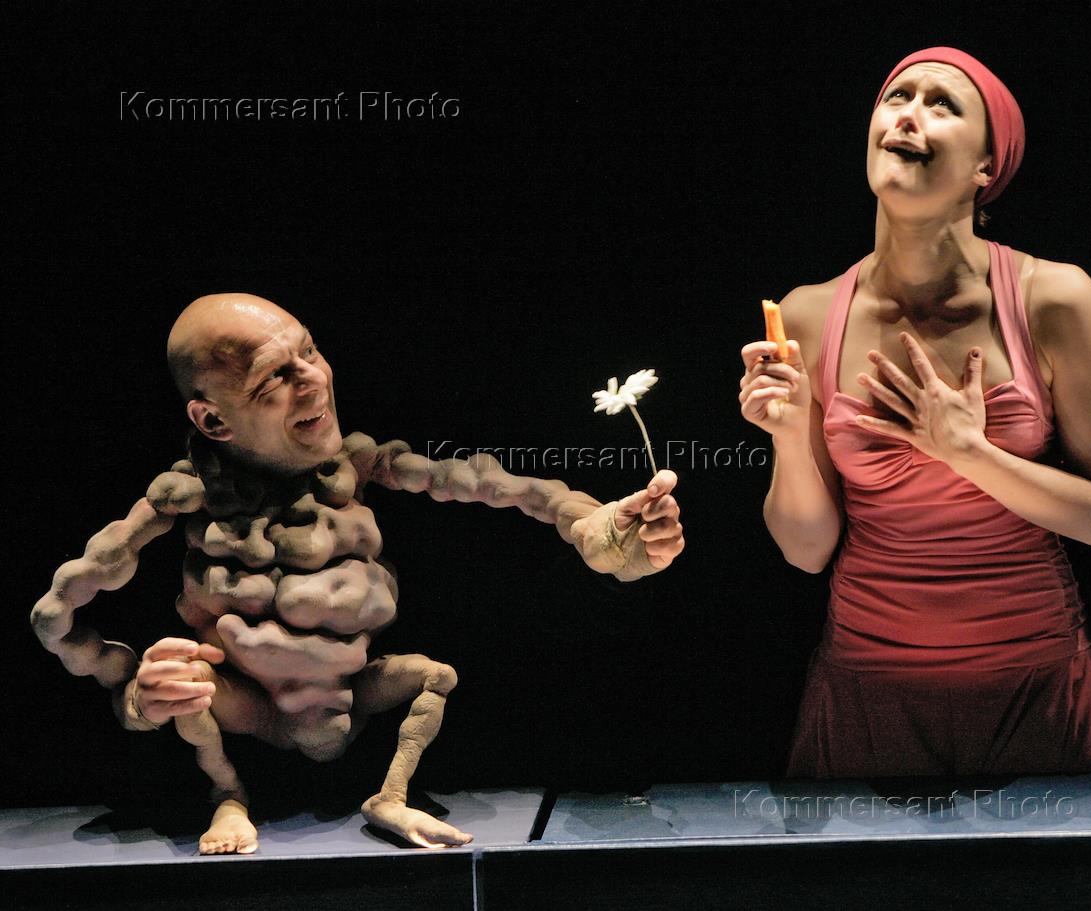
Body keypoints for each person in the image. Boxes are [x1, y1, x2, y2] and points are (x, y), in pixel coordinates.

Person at [33, 293, 684, 852]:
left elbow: (500, 485)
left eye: (309, 352)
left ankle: (390, 795)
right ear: (212, 419)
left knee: (434, 676)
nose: (313, 381)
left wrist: (591, 528)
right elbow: (55, 618)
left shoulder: (361, 467)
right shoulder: (183, 500)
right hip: (244, 718)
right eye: (274, 378)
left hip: (357, 708)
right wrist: (136, 695)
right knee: (191, 688)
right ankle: (228, 797)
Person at [739, 47, 1091, 777]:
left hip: (1036, 692)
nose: (908, 114)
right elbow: (806, 550)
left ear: (987, 164)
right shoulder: (806, 314)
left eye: (942, 103)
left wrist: (968, 453)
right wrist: (791, 438)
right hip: (866, 695)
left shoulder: (1055, 298)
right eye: (897, 96)